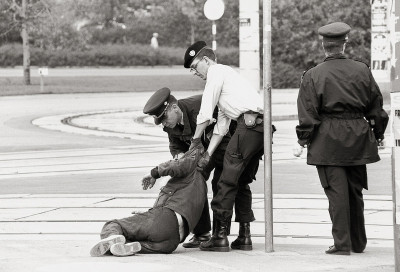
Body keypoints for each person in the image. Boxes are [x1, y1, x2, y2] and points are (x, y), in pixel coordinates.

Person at [295, 22, 388, 255]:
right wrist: (378, 134)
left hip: (327, 141)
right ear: (345, 43)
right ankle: (358, 242)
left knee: (336, 194)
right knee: (355, 192)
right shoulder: (362, 70)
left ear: (323, 45)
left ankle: (342, 244)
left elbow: (308, 113)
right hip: (358, 138)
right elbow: (375, 106)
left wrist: (303, 140)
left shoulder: (313, 75)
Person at [183, 41, 266, 252]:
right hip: (259, 128)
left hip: (247, 127)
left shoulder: (216, 72)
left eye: (194, 66)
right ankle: (244, 237)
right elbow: (221, 125)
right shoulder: (228, 78)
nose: (194, 72)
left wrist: (194, 142)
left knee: (225, 182)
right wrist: (208, 153)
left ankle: (219, 237)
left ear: (206, 60)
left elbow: (205, 109)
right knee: (240, 182)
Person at [143, 87, 232, 248]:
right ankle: (202, 233)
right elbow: (175, 144)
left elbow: (224, 125)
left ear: (174, 107)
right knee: (193, 180)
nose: (164, 123)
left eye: (164, 118)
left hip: (224, 143)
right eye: (161, 121)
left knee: (223, 185)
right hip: (200, 152)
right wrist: (178, 156)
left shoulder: (199, 106)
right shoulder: (171, 124)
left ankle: (221, 235)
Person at [90, 140, 207, 256]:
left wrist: (154, 173)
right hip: (172, 242)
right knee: (133, 242)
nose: (176, 158)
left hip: (165, 219)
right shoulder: (201, 187)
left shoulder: (192, 161)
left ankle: (112, 237)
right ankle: (122, 246)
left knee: (113, 225)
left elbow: (176, 166)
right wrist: (149, 214)